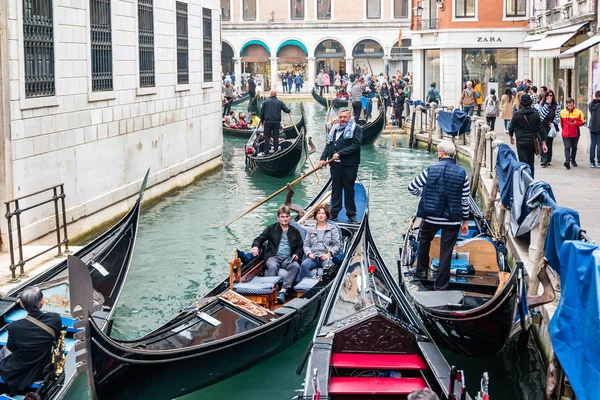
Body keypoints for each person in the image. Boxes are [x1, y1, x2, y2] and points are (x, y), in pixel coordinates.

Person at [408, 140, 470, 290]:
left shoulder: (430, 169)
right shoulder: (462, 173)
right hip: (453, 219)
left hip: (431, 217)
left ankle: (421, 273)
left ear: (442, 153)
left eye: (438, 152)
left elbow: (412, 187)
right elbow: (465, 200)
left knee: (424, 240)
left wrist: (424, 194)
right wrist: (465, 221)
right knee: (446, 250)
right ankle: (441, 285)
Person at [0, 286, 62, 395]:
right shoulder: (55, 319)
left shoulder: (14, 327)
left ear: (21, 304)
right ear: (42, 302)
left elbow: (10, 349)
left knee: (3, 351)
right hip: (42, 368)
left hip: (17, 369)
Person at [318, 108, 362, 224]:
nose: (342, 119)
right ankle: (334, 213)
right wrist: (323, 159)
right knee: (336, 189)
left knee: (349, 190)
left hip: (349, 165)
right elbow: (328, 145)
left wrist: (340, 153)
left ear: (349, 117)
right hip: (335, 165)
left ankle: (351, 215)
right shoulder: (334, 128)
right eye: (340, 117)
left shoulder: (356, 128)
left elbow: (356, 145)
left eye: (345, 117)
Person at [251, 206, 303, 303]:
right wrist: (255, 247)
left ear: (289, 217)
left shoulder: (295, 231)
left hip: (288, 258)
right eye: (282, 217)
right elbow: (259, 239)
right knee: (272, 265)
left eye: (287, 216)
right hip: (273, 257)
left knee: (295, 266)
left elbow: (300, 247)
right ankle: (270, 290)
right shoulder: (271, 228)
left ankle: (283, 290)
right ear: (278, 218)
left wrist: (296, 255)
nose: (285, 219)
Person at [508, 93, 548, 177]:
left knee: (523, 162)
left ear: (521, 103)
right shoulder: (535, 114)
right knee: (530, 162)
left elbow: (511, 127)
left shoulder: (517, 114)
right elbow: (541, 130)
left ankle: (524, 181)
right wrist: (544, 143)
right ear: (530, 102)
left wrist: (511, 137)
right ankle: (531, 180)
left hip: (521, 141)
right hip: (532, 142)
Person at [298, 204, 341, 280]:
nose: (321, 215)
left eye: (323, 213)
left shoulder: (333, 228)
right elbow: (306, 245)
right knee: (304, 265)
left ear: (326, 215)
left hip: (326, 257)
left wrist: (328, 254)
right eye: (318, 213)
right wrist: (309, 254)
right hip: (313, 257)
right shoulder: (310, 229)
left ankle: (325, 287)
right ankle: (306, 286)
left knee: (329, 268)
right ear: (315, 216)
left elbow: (337, 245)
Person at [260, 89, 291, 154]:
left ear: (270, 94)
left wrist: (262, 121)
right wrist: (289, 110)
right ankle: (276, 150)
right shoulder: (279, 102)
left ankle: (266, 152)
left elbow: (262, 113)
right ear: (276, 95)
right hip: (276, 123)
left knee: (267, 137)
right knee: (276, 136)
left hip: (267, 122)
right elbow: (286, 110)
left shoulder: (265, 102)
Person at [536, 89, 561, 167]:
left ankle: (548, 159)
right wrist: (547, 104)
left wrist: (553, 123)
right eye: (547, 95)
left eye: (551, 95)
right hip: (542, 126)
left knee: (549, 143)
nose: (549, 97)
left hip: (551, 127)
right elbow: (541, 115)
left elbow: (558, 116)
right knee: (543, 142)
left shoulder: (556, 105)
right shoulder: (541, 104)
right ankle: (543, 160)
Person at [560, 97, 585, 169]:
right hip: (566, 133)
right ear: (566, 105)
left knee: (574, 147)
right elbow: (561, 123)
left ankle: (573, 160)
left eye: (572, 105)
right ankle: (567, 161)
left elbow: (583, 122)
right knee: (567, 147)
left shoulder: (579, 112)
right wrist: (564, 129)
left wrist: (576, 123)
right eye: (569, 105)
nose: (571, 107)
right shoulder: (562, 112)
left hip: (575, 133)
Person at [588, 90, 600, 167]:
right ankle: (599, 162)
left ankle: (592, 162)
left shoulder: (591, 104)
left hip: (592, 126)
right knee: (599, 144)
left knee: (593, 144)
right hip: (599, 127)